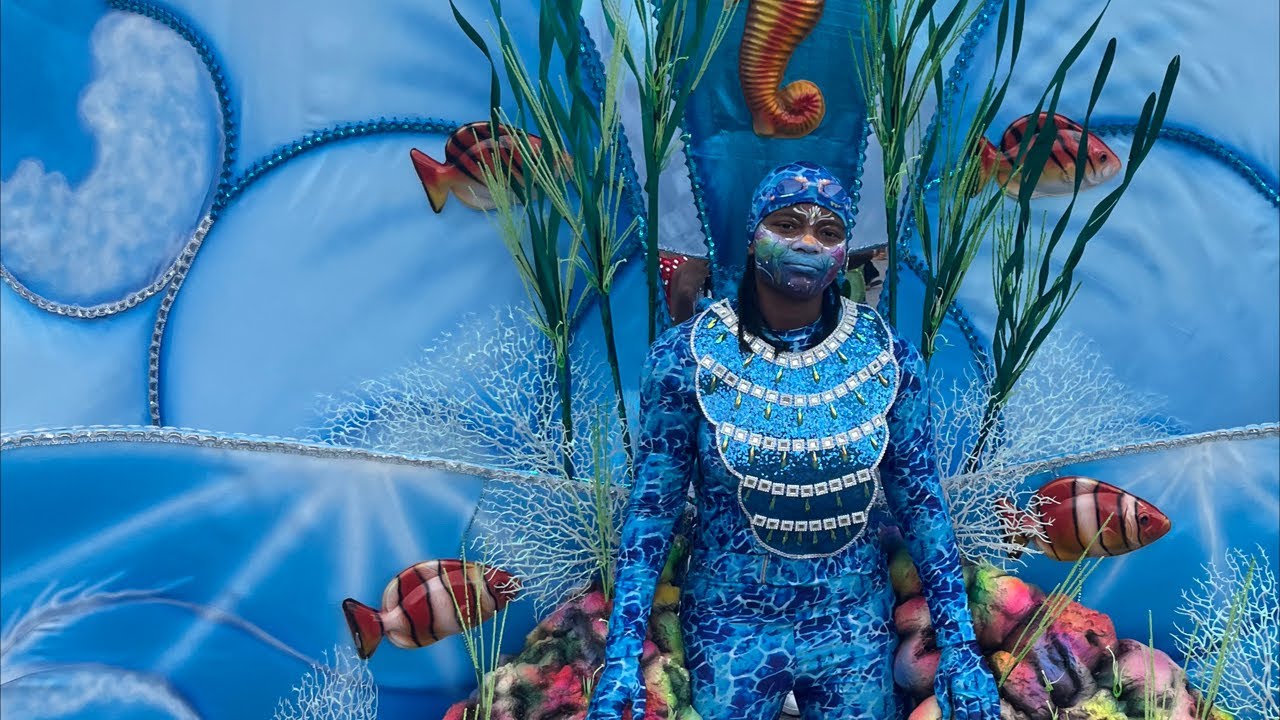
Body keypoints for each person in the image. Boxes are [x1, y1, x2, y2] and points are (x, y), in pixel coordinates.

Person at [586, 161, 999, 720]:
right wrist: (621, 659)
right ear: (754, 237)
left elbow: (922, 503)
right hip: (731, 624)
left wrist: (961, 651)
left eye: (827, 232)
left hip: (852, 622)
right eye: (787, 224)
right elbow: (652, 512)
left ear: (845, 250)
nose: (807, 242)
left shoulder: (889, 360)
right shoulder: (684, 359)